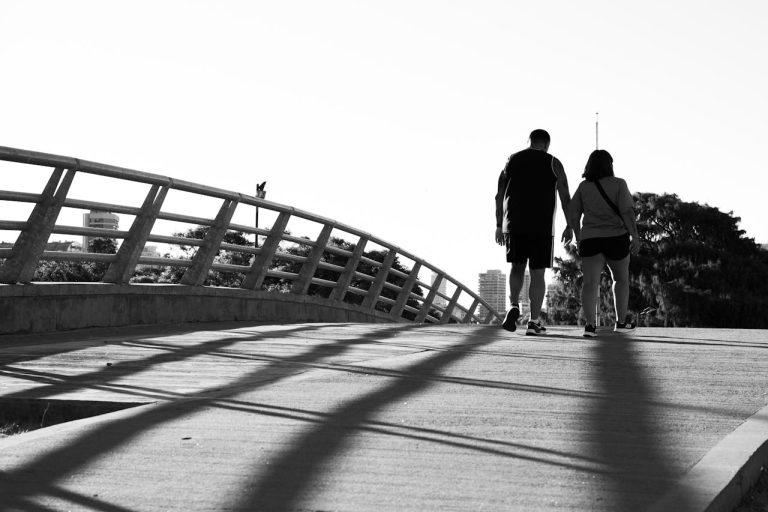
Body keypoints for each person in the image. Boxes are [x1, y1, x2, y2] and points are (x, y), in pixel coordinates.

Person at [495, 129, 573, 335]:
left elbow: (499, 194)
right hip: (542, 226)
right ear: (547, 144)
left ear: (528, 142)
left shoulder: (511, 160)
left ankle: (513, 305)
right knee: (538, 273)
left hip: (514, 225)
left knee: (517, 267)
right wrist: (570, 225)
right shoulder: (553, 163)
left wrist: (498, 224)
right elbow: (565, 196)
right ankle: (533, 322)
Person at [567, 149, 640, 337]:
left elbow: (573, 213)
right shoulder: (619, 184)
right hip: (616, 237)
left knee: (590, 283)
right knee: (621, 279)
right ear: (610, 165)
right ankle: (621, 322)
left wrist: (578, 236)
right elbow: (627, 212)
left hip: (591, 238)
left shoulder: (584, 187)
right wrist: (635, 236)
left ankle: (590, 326)